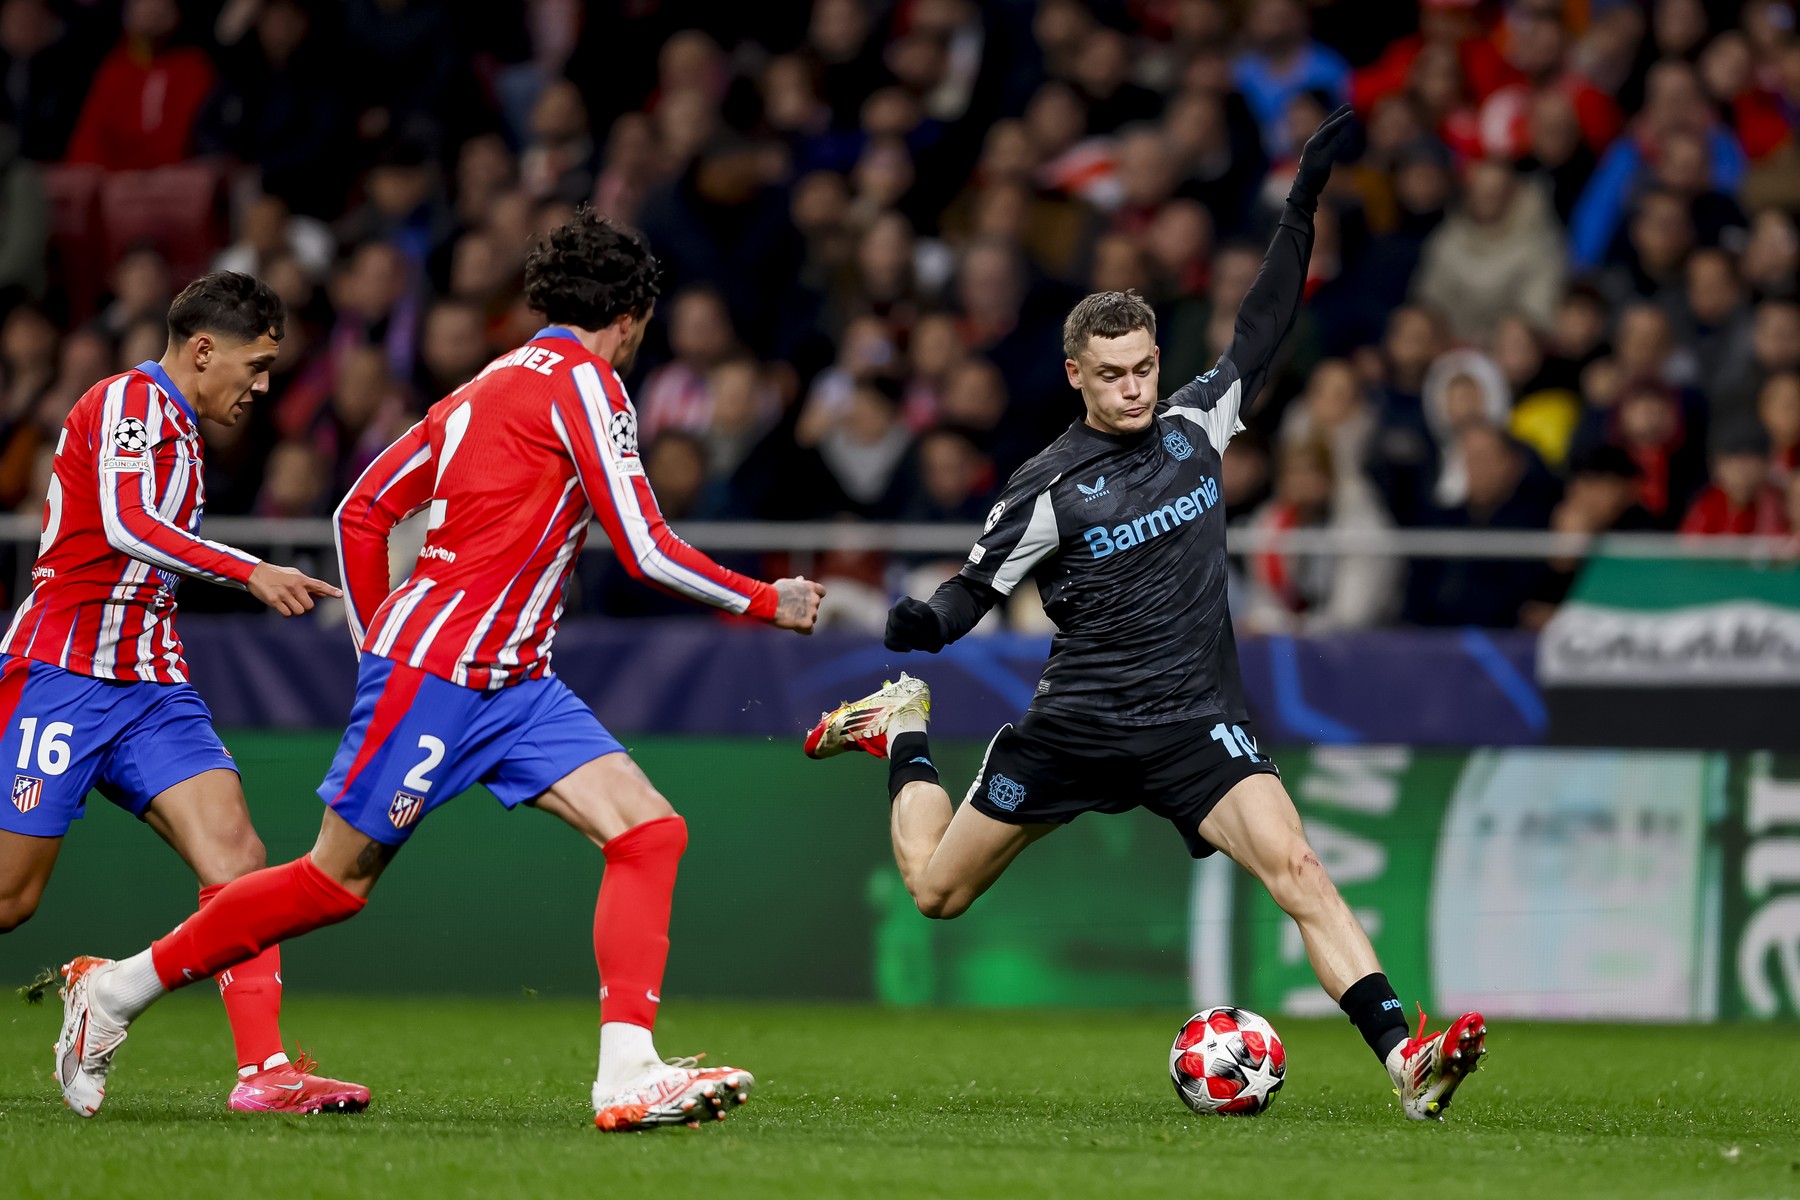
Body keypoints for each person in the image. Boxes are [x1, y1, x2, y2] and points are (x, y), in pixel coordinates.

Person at [49, 210, 825, 1132]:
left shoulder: (483, 386)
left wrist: (378, 638)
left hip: (515, 682)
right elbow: (645, 547)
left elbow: (360, 511)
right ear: (631, 314)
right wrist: (765, 599)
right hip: (444, 674)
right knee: (333, 886)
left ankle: (628, 1072)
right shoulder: (590, 386)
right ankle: (117, 992)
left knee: (650, 832)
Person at [803, 108, 1488, 1122]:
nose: (1132, 390)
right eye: (1110, 374)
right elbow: (972, 594)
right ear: (1076, 374)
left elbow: (1266, 316)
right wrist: (924, 629)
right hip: (1078, 725)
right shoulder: (1044, 487)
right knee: (936, 894)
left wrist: (1301, 199)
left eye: (1144, 368)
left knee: (1296, 864)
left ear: (1159, 358)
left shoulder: (1197, 423)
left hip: (1190, 724)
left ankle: (1405, 1063)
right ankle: (902, 730)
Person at [2, 271, 367, 1114]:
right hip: (63, 674)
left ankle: (264, 1072)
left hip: (152, 683)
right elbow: (131, 526)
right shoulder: (132, 401)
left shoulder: (183, 426)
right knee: (10, 899)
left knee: (237, 863)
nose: (264, 385)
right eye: (257, 362)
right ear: (203, 350)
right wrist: (252, 571)